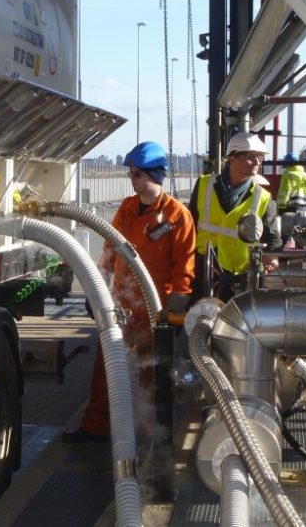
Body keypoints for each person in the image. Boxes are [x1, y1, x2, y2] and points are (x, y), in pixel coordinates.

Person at [62, 141, 195, 444]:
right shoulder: (127, 208)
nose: (131, 179)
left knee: (149, 372)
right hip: (123, 304)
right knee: (106, 365)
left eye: (135, 174)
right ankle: (95, 428)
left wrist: (174, 308)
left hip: (154, 308)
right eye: (130, 174)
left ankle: (142, 432)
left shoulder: (178, 216)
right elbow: (109, 249)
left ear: (153, 175)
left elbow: (183, 267)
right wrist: (96, 288)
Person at [189, 131, 282, 301]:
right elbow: (189, 225)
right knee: (199, 321)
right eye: (250, 156)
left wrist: (272, 256)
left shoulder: (263, 197)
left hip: (240, 277)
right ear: (232, 158)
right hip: (203, 271)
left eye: (260, 157)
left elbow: (272, 238)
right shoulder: (204, 184)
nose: (257, 162)